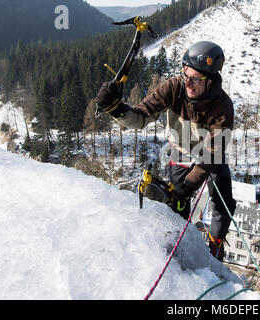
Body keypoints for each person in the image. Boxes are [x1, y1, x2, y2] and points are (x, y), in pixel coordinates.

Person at [95, 41, 237, 261]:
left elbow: (212, 155)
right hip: (180, 151)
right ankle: (178, 248)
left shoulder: (223, 108)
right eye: (185, 75)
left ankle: (216, 243)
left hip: (209, 155)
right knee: (177, 204)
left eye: (195, 79)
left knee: (224, 202)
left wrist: (188, 185)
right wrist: (117, 110)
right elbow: (141, 116)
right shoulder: (173, 87)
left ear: (210, 81)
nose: (187, 83)